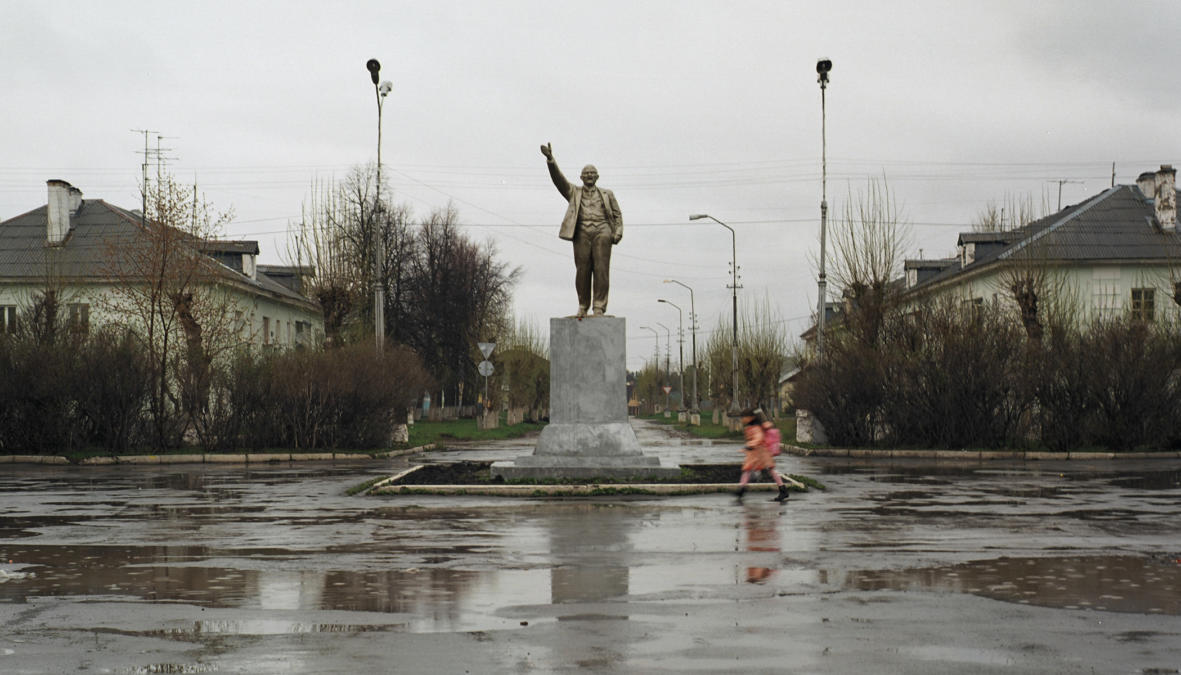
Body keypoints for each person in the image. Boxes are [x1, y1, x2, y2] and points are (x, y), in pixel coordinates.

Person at [540, 142, 623, 318]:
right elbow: (559, 181)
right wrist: (551, 160)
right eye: (586, 173)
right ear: (581, 177)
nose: (589, 175)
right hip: (582, 232)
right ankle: (583, 306)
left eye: (592, 173)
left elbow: (617, 214)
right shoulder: (574, 192)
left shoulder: (607, 194)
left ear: (597, 176)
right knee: (582, 270)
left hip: (603, 231)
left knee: (601, 270)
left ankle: (599, 306)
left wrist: (617, 232)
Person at [736, 407, 790, 502]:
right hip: (754, 453)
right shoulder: (751, 426)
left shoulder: (756, 427)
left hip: (761, 453)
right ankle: (741, 490)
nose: (742, 419)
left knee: (770, 470)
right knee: (747, 470)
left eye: (744, 417)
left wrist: (750, 445)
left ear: (751, 417)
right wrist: (749, 447)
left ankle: (783, 489)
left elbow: (759, 438)